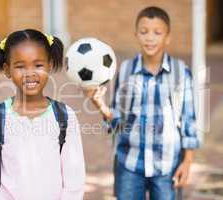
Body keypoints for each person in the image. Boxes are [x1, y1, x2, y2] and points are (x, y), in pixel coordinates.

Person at [84, 6, 200, 200]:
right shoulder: (126, 70)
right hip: (129, 164)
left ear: (167, 37)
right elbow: (118, 122)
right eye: (144, 32)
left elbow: (189, 121)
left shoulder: (181, 73)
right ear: (136, 35)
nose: (150, 37)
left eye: (157, 32)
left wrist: (187, 162)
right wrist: (100, 105)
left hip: (166, 166)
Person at [0, 29, 85, 200]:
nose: (30, 73)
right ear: (7, 70)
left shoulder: (65, 116)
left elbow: (74, 179)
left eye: (38, 65)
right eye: (20, 66)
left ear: (49, 65)